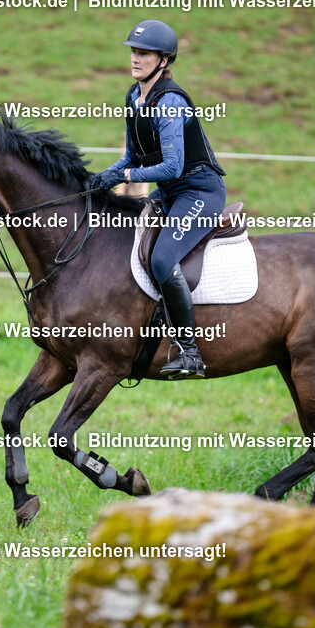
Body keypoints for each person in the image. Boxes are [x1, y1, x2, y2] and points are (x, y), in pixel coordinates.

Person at [93, 20, 227, 380]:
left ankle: (190, 353)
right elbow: (132, 157)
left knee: (163, 258)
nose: (135, 58)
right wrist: (102, 177)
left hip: (198, 192)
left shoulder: (169, 101)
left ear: (164, 60)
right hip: (169, 192)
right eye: (133, 52)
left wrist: (124, 177)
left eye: (144, 53)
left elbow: (172, 166)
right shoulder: (133, 97)